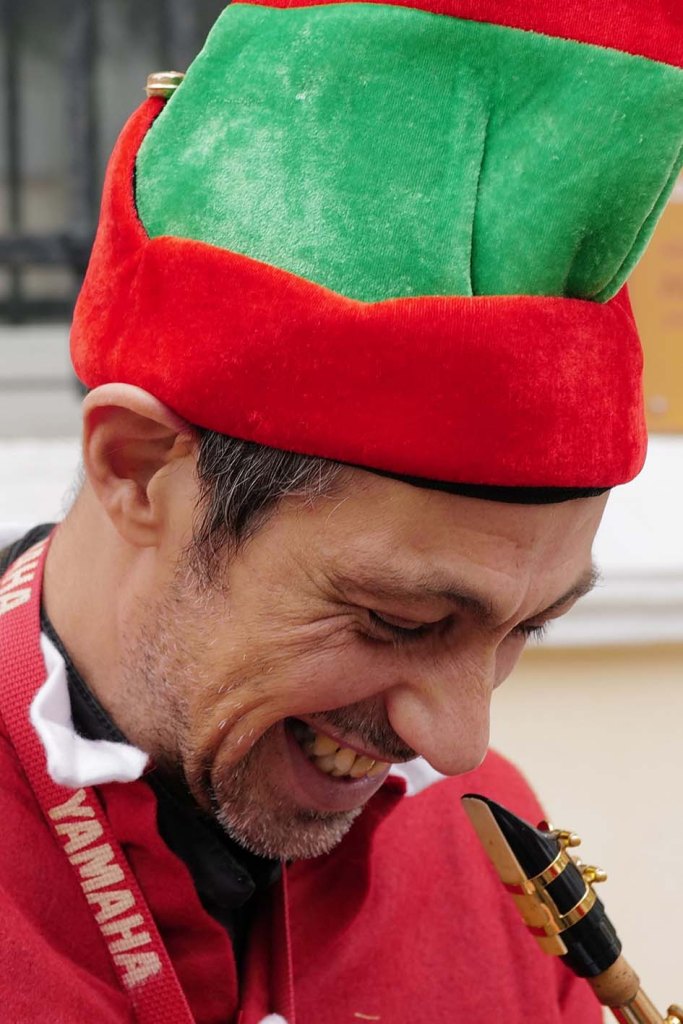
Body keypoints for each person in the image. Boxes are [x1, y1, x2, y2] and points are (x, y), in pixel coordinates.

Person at [1, 2, 681, 1022]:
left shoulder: (491, 847)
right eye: (398, 620)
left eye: (523, 628)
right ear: (135, 469)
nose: (459, 746)